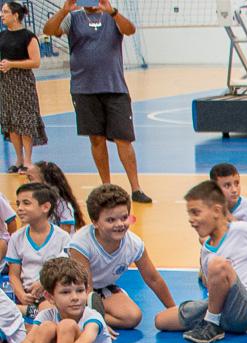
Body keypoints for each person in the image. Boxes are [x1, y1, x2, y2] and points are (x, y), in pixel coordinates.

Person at [43, 0, 151, 203]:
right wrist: (64, 10)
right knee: (96, 139)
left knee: (123, 139)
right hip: (84, 89)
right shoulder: (72, 18)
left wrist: (113, 12)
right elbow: (48, 30)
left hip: (115, 87)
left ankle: (136, 188)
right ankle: (106, 186)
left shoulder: (112, 17)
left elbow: (130, 30)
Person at [154, 181, 247, 343]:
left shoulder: (240, 230)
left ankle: (211, 325)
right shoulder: (206, 249)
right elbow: (211, 287)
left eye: (196, 213)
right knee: (161, 320)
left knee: (218, 265)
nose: (191, 220)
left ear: (216, 211)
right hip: (219, 309)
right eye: (189, 214)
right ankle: (213, 321)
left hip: (243, 310)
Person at [67, 183, 175, 330]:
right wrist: (96, 322)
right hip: (73, 288)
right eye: (111, 220)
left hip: (100, 288)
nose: (120, 224)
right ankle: (72, 314)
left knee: (132, 317)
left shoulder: (134, 244)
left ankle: (81, 315)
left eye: (124, 218)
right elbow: (86, 286)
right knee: (65, 313)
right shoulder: (81, 244)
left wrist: (173, 310)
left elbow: (153, 279)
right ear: (95, 222)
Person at [5, 182, 72, 316]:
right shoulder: (17, 237)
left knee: (53, 306)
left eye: (26, 203)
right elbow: (13, 275)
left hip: (52, 293)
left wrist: (43, 283)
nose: (19, 208)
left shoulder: (62, 237)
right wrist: (21, 295)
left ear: (45, 207)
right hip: (27, 295)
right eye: (18, 204)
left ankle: (28, 311)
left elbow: (63, 271)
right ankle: (31, 310)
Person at [0, 1, 45, 173]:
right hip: (6, 83)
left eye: (5, 12)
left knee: (25, 121)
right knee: (11, 122)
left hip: (23, 83)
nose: (1, 15)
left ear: (16, 15)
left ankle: (27, 160)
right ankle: (18, 159)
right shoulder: (2, 36)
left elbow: (36, 62)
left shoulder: (28, 36)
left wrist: (12, 64)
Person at [27, 161, 84, 232]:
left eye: (31, 179)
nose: (28, 183)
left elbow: (65, 233)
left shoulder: (62, 205)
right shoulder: (35, 203)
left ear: (46, 181)